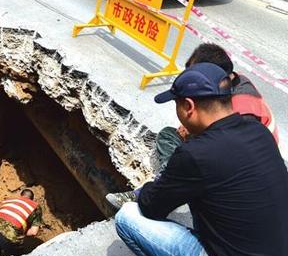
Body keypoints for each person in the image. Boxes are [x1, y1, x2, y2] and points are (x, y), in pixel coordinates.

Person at [114, 63, 288, 256]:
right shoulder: (258, 130)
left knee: (127, 217)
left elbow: (150, 207)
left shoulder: (196, 154)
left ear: (188, 106)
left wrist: (147, 189)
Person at [106, 43, 280, 209]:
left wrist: (188, 159)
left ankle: (166, 184)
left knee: (185, 161)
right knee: (169, 136)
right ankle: (172, 179)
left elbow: (228, 155)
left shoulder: (244, 111)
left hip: (241, 172)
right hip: (233, 153)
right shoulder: (230, 84)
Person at [0, 189, 43, 256]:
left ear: (21, 195)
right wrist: (21, 232)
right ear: (32, 199)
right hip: (10, 237)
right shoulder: (35, 207)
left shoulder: (9, 200)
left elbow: (2, 214)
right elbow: (33, 232)